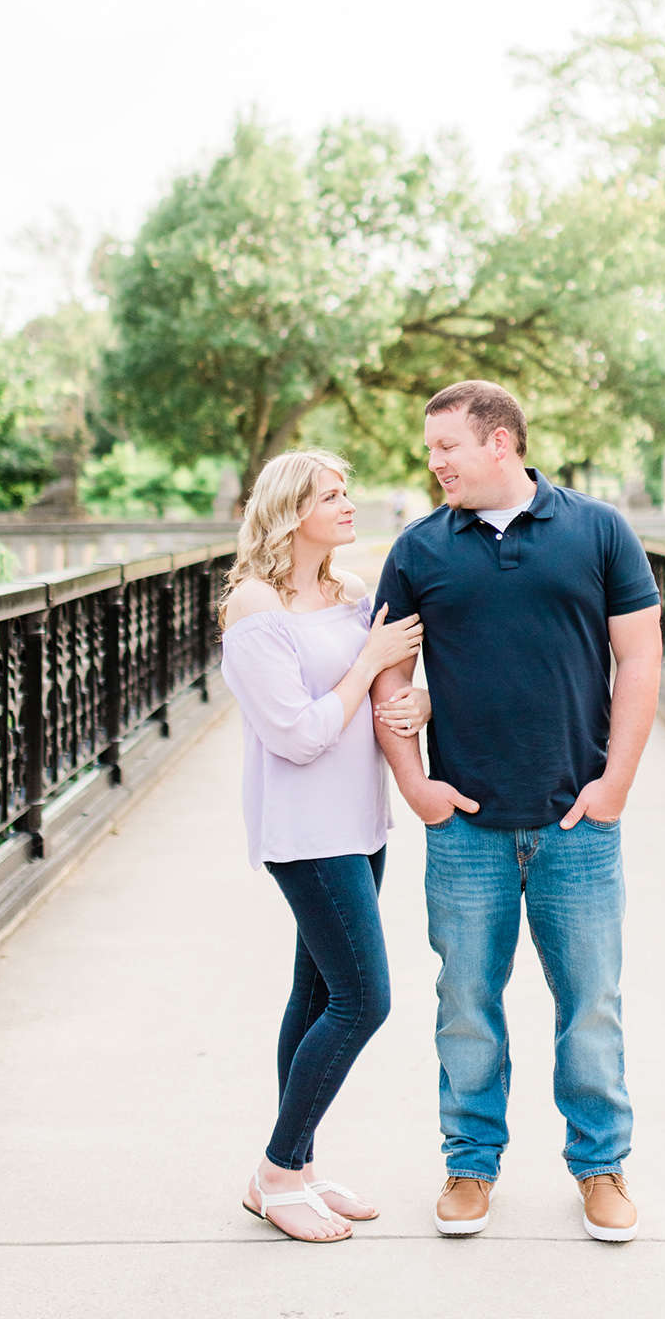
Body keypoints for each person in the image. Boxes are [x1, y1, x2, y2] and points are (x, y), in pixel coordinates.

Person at [370, 382, 663, 1243]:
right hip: (466, 829)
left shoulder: (598, 529)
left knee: (591, 1004)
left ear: (500, 443)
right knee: (465, 1001)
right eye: (430, 449)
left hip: (578, 821)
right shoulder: (419, 548)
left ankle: (600, 1166)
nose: (434, 464)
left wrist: (614, 786)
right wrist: (415, 787)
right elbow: (388, 673)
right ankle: (469, 1165)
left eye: (446, 448)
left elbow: (639, 659)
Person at [220, 449, 430, 1243]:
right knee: (362, 999)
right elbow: (298, 734)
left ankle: (297, 1169)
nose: (348, 504)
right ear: (289, 509)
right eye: (331, 495)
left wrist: (412, 697)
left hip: (359, 825)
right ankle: (274, 1173)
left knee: (313, 998)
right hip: (304, 835)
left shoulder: (347, 595)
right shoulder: (252, 608)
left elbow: (390, 691)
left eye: (348, 490)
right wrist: (370, 661)